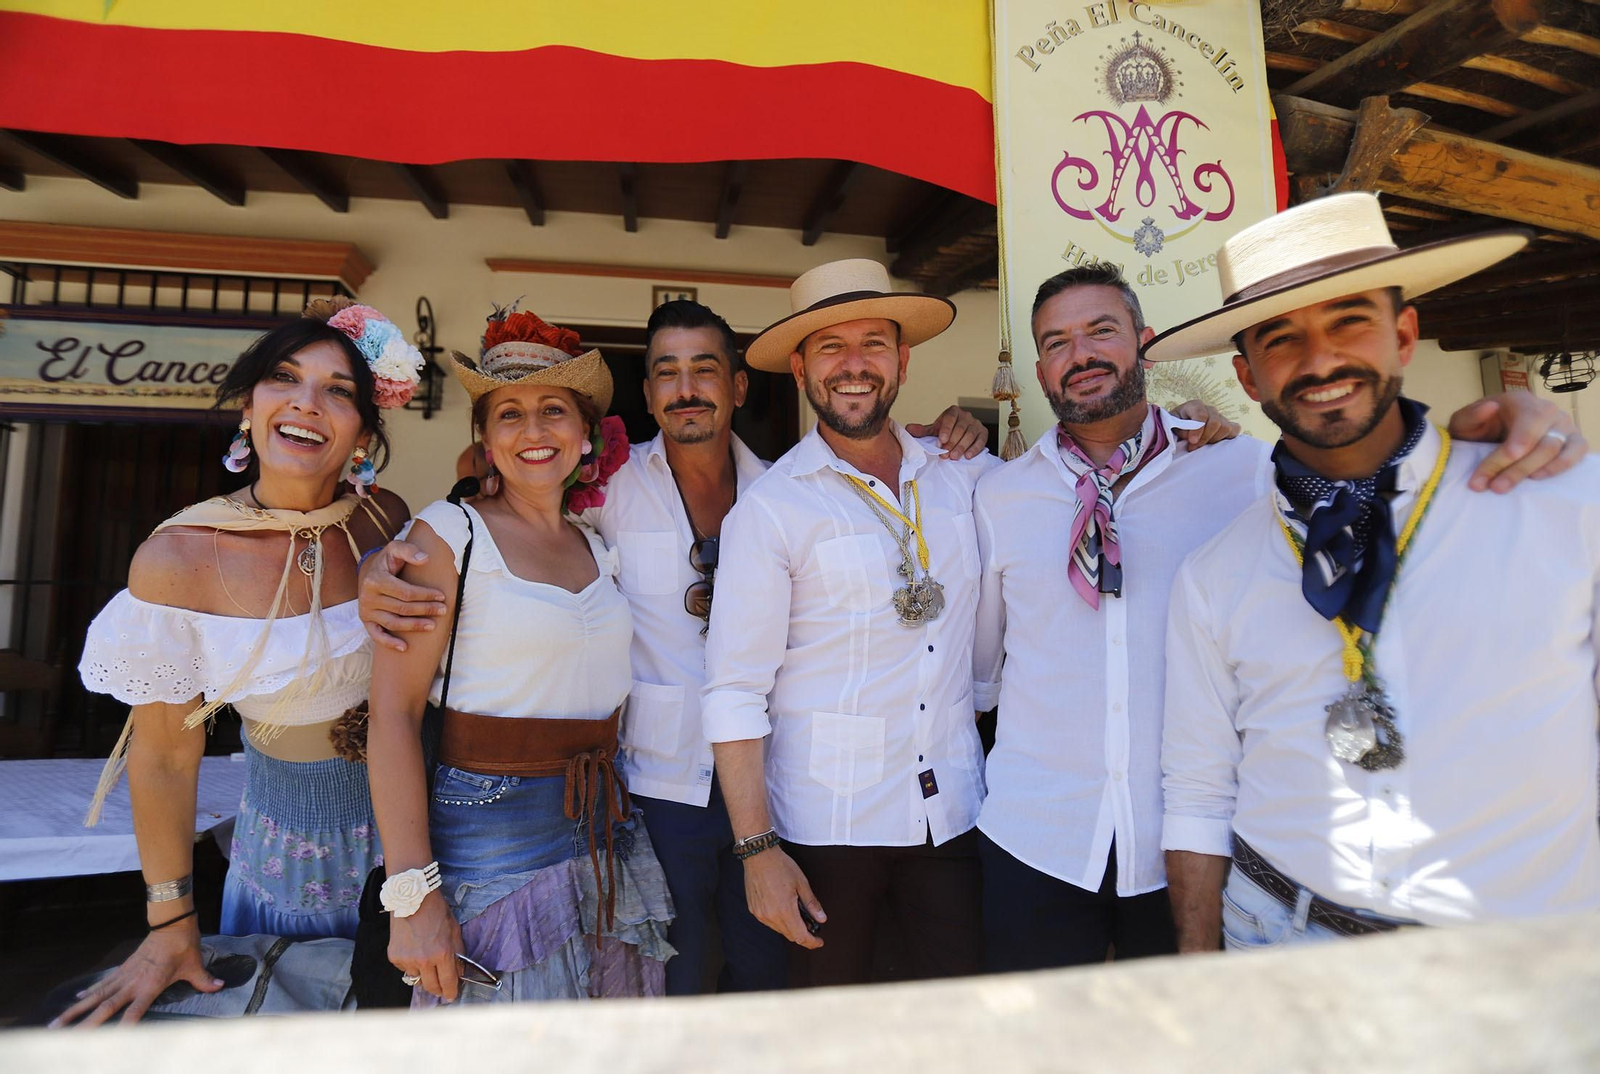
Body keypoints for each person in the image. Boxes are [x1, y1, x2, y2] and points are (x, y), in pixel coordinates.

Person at [356, 298, 990, 996]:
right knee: (672, 979)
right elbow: (498, 502)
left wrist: (939, 434)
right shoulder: (604, 490)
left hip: (775, 785)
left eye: (706, 370)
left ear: (739, 387)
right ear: (649, 394)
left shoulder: (789, 487)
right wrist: (383, 562)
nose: (687, 388)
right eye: (667, 373)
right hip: (656, 792)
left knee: (770, 976)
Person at [971, 260, 1582, 972]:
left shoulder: (1243, 472)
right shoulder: (996, 495)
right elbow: (987, 666)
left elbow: (1363, 473)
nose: (1080, 356)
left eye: (1100, 331)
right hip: (1036, 835)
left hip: (1191, 846)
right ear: (1041, 371)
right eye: (1056, 343)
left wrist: (1515, 425)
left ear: (1143, 340)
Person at [1151, 192, 1600, 950]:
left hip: (1524, 947)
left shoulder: (1565, 501)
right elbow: (1198, 790)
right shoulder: (1214, 572)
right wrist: (1203, 982)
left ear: (1404, 334)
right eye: (1282, 337)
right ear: (1248, 375)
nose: (1320, 360)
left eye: (1349, 320)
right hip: (1279, 939)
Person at [55, 298, 420, 1026]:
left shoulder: (384, 520)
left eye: (338, 390)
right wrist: (168, 924)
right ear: (249, 409)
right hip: (289, 858)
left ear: (362, 436)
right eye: (284, 378)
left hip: (412, 843)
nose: (306, 402)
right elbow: (161, 758)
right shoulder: (178, 559)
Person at [699, 258, 1003, 987]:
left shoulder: (966, 476)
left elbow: (1070, 474)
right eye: (831, 347)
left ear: (902, 360)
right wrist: (756, 850)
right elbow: (735, 689)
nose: (854, 365)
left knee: (955, 1029)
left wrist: (1189, 428)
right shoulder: (772, 511)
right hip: (827, 832)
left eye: (873, 343)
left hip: (955, 812)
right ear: (800, 367)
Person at [365, 306, 672, 1006]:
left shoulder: (597, 540)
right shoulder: (448, 535)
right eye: (509, 413)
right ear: (484, 438)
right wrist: (410, 895)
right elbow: (392, 715)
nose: (534, 431)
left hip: (606, 828)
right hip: (488, 833)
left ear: (586, 433)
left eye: (554, 410)